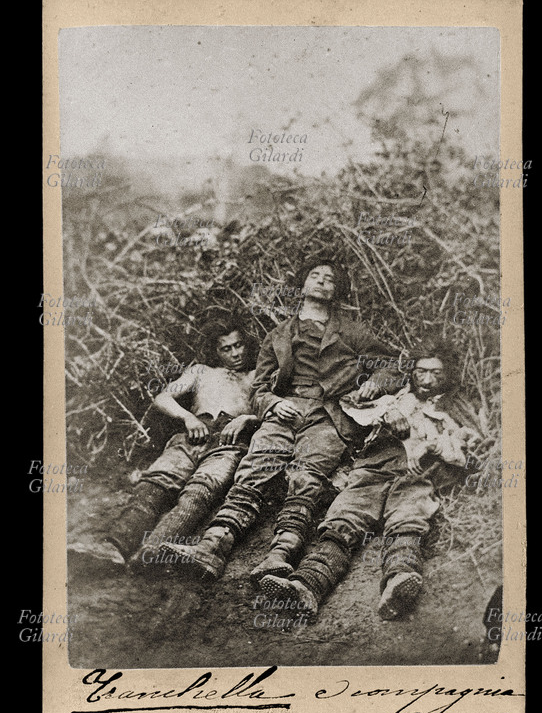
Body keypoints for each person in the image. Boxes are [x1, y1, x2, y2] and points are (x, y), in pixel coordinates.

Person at [164, 255, 397, 582]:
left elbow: (391, 364)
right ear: (302, 284)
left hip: (331, 414)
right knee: (256, 465)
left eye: (330, 279)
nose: (321, 281)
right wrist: (273, 403)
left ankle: (280, 555)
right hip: (284, 411)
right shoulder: (278, 335)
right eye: (314, 275)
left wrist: (374, 383)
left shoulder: (352, 331)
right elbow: (258, 389)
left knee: (307, 475)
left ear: (337, 291)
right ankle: (213, 545)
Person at [258, 339, 486, 623]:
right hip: (374, 466)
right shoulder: (397, 395)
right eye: (421, 371)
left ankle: (399, 579)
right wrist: (388, 413)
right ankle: (307, 585)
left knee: (407, 517)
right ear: (412, 372)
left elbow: (472, 451)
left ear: (448, 375)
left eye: (436, 373)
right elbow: (349, 404)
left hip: (418, 474)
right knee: (344, 518)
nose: (427, 380)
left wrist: (433, 445)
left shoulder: (457, 407)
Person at [69, 318, 259, 567]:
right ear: (216, 351)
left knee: (199, 492)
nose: (235, 353)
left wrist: (248, 419)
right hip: (192, 434)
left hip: (229, 441)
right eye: (226, 348)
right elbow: (163, 397)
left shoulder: (257, 375)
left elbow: (274, 407)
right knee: (155, 484)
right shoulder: (201, 371)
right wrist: (187, 417)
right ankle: (113, 546)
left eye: (239, 345)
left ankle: (153, 551)